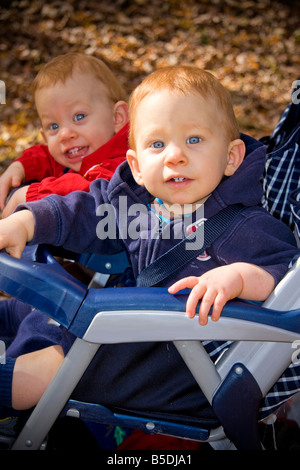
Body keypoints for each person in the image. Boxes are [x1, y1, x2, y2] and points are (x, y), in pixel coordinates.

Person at [0, 66, 298, 425]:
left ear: (231, 156)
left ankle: (12, 392)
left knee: (59, 357)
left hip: (176, 361)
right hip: (133, 326)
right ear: (137, 166)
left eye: (194, 140)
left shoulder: (241, 223)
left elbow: (281, 269)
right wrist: (26, 221)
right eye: (158, 144)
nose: (175, 156)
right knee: (27, 310)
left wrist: (237, 276)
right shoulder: (138, 201)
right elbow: (86, 211)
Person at [0, 52, 129, 217]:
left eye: (79, 117)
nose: (65, 134)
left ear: (117, 118)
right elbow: (47, 156)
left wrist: (32, 193)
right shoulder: (77, 152)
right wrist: (20, 166)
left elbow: (88, 190)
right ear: (44, 136)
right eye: (53, 126)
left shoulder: (125, 164)